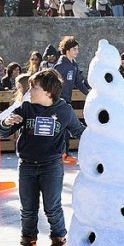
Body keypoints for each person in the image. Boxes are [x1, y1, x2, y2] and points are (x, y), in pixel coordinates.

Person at [0, 69, 86, 246]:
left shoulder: (64, 111)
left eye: (34, 87)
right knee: (28, 209)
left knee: (52, 208)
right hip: (26, 165)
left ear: (48, 92)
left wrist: (100, 150)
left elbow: (80, 132)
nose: (30, 91)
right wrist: (5, 123)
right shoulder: (25, 108)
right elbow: (1, 132)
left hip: (51, 166)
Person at [54, 36, 90, 164]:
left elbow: (78, 82)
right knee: (68, 128)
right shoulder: (60, 66)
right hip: (59, 103)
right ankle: (63, 154)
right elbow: (53, 85)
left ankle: (64, 154)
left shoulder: (73, 65)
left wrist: (89, 94)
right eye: (75, 49)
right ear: (67, 50)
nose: (77, 52)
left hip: (66, 102)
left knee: (65, 128)